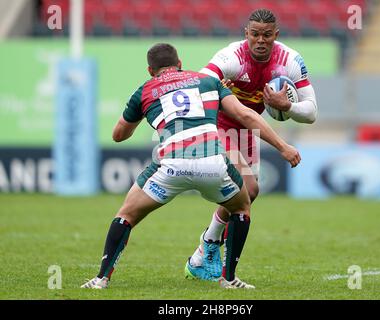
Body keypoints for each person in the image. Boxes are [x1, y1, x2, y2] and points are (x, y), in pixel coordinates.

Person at [81, 43, 301, 289]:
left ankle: (101, 279)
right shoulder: (207, 81)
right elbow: (246, 115)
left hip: (171, 165)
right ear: (180, 63)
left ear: (150, 70)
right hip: (212, 163)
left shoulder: (145, 90)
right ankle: (229, 279)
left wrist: (145, 113)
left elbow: (118, 135)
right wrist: (283, 146)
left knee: (126, 215)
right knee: (242, 207)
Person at [185, 8, 318, 280]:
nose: (260, 40)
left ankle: (205, 249)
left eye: (267, 35)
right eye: (255, 34)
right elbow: (199, 81)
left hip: (248, 128)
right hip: (219, 124)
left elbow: (312, 112)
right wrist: (214, 87)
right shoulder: (232, 56)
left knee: (248, 195)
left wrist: (288, 105)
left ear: (275, 35)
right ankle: (212, 253)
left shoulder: (290, 60)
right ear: (246, 33)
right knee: (248, 187)